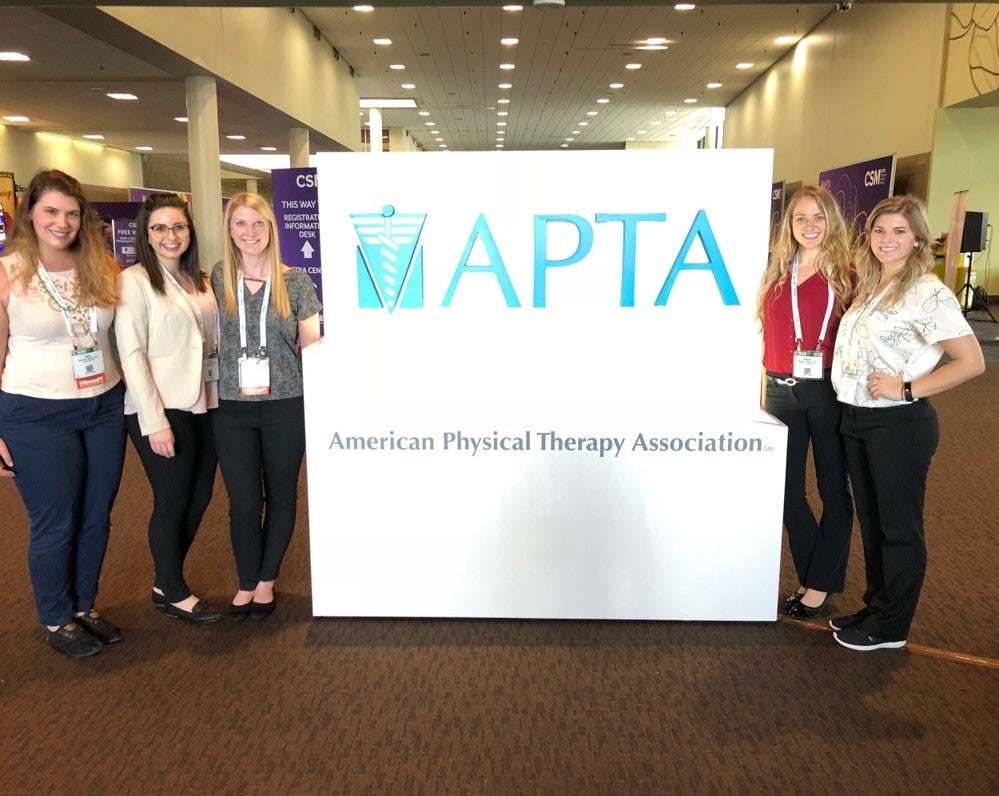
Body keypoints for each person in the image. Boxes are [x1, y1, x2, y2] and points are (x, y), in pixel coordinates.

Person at [830, 195, 985, 651]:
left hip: (900, 423)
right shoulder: (872, 283)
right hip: (858, 417)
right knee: (875, 522)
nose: (887, 239)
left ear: (918, 238)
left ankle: (891, 626)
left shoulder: (928, 291)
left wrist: (909, 388)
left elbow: (972, 361)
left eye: (899, 231)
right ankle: (878, 606)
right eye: (880, 230)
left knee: (899, 527)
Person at [0, 169, 126, 658]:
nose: (62, 222)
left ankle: (84, 606)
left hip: (103, 406)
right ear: (30, 212)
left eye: (72, 213)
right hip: (34, 412)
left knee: (96, 515)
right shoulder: (9, 272)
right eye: (51, 211)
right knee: (56, 520)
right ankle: (56, 617)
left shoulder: (101, 266)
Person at [114, 193, 223, 625]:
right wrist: (153, 422)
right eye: (159, 228)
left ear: (189, 231)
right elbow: (132, 354)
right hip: (162, 407)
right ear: (146, 234)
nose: (170, 235)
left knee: (199, 496)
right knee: (172, 498)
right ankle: (172, 589)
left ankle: (166, 581)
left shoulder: (198, 279)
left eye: (178, 226)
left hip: (206, 402)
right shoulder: (135, 281)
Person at [211, 193, 321, 621]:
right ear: (230, 230)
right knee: (242, 501)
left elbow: (311, 344)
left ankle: (266, 581)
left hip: (286, 403)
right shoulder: (221, 276)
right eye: (241, 224)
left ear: (271, 229)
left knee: (280, 494)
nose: (250, 232)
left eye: (258, 224)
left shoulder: (296, 282)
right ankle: (245, 579)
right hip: (233, 407)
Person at [756, 186, 854, 620]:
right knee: (785, 491)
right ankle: (820, 576)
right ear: (789, 224)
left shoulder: (849, 273)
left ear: (831, 221)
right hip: (779, 390)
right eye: (800, 218)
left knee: (834, 488)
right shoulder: (777, 270)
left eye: (818, 217)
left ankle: (814, 586)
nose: (809, 226)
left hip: (827, 390)